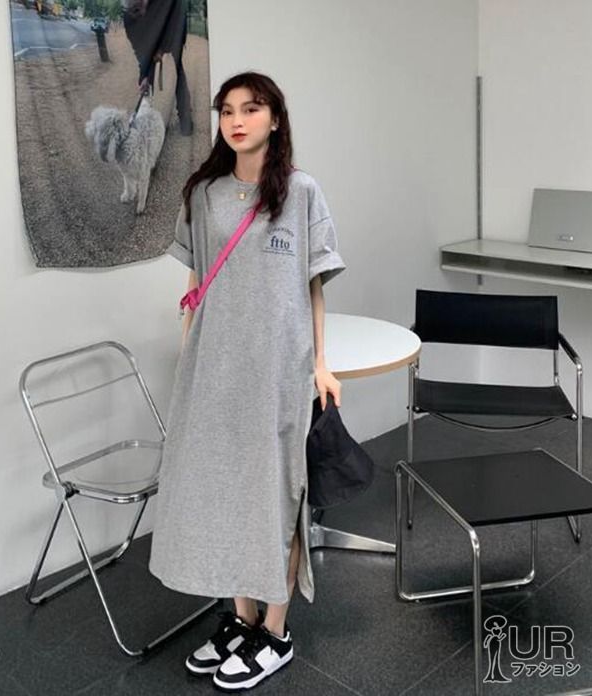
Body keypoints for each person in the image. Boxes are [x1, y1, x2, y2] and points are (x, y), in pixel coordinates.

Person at [148, 71, 346, 690]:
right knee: (225, 494)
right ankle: (242, 619)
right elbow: (196, 283)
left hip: (280, 374)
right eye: (227, 110)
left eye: (251, 109)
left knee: (278, 498)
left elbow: (313, 287)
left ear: (275, 119)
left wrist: (320, 363)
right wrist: (191, 357)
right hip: (215, 372)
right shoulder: (203, 194)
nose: (237, 121)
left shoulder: (302, 192)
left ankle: (275, 632)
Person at [121, 0, 193, 135]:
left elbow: (175, 26)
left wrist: (162, 49)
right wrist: (144, 75)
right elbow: (139, 48)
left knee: (177, 70)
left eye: (140, 7)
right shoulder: (129, 19)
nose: (141, 13)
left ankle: (186, 119)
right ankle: (152, 120)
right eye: (135, 11)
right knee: (147, 79)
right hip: (152, 35)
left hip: (172, 28)